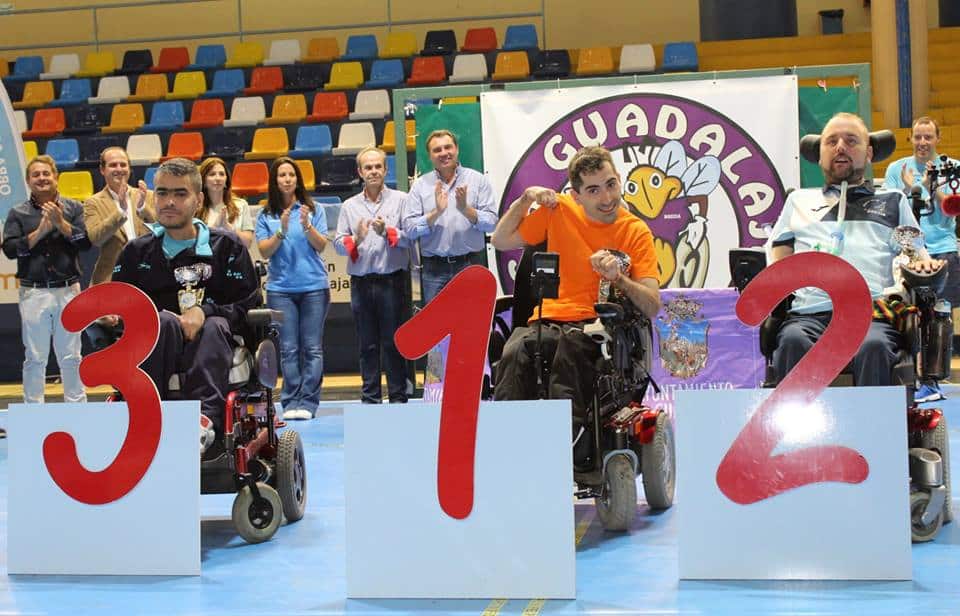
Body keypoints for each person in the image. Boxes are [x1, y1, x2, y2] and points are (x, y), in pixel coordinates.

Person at [491, 146, 660, 467]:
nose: (607, 197)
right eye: (593, 190)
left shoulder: (635, 231)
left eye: (611, 184)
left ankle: (570, 446)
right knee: (515, 352)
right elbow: (501, 240)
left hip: (600, 323)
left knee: (569, 350)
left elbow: (652, 305)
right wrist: (526, 199)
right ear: (576, 195)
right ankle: (507, 448)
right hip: (549, 319)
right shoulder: (559, 210)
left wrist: (619, 279)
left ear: (619, 178)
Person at [768, 112, 944, 386]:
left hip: (871, 315)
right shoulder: (798, 201)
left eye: (851, 141)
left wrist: (923, 264)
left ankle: (874, 416)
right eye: (831, 142)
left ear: (869, 152)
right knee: (792, 341)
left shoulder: (892, 201)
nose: (840, 147)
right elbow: (778, 258)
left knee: (874, 346)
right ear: (820, 155)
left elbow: (917, 254)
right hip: (810, 314)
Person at [111, 158, 259, 454]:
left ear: (198, 200)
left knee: (214, 325)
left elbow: (249, 303)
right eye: (162, 193)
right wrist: (113, 316)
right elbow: (120, 305)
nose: (169, 202)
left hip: (216, 342)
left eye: (180, 194)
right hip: (157, 343)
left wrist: (205, 312)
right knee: (162, 322)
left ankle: (203, 423)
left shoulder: (227, 247)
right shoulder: (135, 252)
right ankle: (145, 416)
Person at [2, 155, 91, 404]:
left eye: (46, 173)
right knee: (35, 356)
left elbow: (85, 242)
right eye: (36, 175)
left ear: (56, 177)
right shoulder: (18, 213)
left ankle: (77, 408)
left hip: (68, 290)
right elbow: (10, 249)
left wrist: (61, 224)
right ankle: (34, 410)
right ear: (28, 181)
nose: (42, 178)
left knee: (71, 355)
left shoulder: (73, 208)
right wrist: (40, 231)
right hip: (34, 293)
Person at [883, 116, 960, 402]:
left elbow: (952, 208)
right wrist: (907, 189)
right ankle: (906, 376)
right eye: (918, 137)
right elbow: (888, 209)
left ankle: (934, 379)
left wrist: (930, 185)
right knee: (905, 313)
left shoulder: (952, 168)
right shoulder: (896, 169)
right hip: (908, 252)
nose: (923, 142)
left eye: (928, 137)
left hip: (942, 249)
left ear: (938, 138)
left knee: (940, 314)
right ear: (911, 139)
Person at [255, 156, 330, 421]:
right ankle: (290, 401)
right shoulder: (266, 214)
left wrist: (306, 226)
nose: (287, 179)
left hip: (314, 288)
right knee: (288, 349)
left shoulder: (313, 209)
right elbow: (264, 251)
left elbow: (321, 245)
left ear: (298, 179)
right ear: (274, 181)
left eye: (291, 175)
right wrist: (282, 231)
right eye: (282, 175)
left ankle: (308, 402)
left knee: (312, 348)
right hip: (280, 290)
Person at [334, 147, 411, 404]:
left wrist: (387, 232)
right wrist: (356, 238)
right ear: (360, 172)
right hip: (361, 283)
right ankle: (370, 399)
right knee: (367, 345)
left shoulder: (401, 200)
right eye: (368, 167)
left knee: (393, 343)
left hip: (392, 282)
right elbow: (338, 244)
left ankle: (398, 397)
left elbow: (410, 238)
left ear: (386, 170)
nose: (374, 171)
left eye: (378, 166)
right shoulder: (349, 206)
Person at [402, 129, 497, 303]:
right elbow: (410, 229)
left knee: (472, 317)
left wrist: (466, 209)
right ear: (430, 156)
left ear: (457, 149)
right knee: (437, 320)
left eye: (448, 147)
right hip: (434, 270)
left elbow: (491, 223)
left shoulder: (478, 180)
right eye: (437, 150)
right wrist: (436, 213)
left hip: (470, 265)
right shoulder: (420, 186)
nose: (444, 153)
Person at [83, 146, 155, 348]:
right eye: (113, 165)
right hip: (111, 281)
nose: (119, 169)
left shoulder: (147, 196)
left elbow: (163, 231)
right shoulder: (92, 203)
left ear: (129, 169)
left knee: (150, 343)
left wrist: (143, 208)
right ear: (102, 170)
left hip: (148, 278)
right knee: (118, 348)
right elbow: (95, 237)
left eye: (123, 164)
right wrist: (120, 212)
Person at [198, 156, 255, 247]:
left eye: (221, 174)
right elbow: (193, 243)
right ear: (203, 181)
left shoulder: (241, 205)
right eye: (212, 174)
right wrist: (215, 228)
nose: (218, 178)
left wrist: (229, 228)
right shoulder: (196, 207)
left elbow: (247, 243)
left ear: (226, 180)